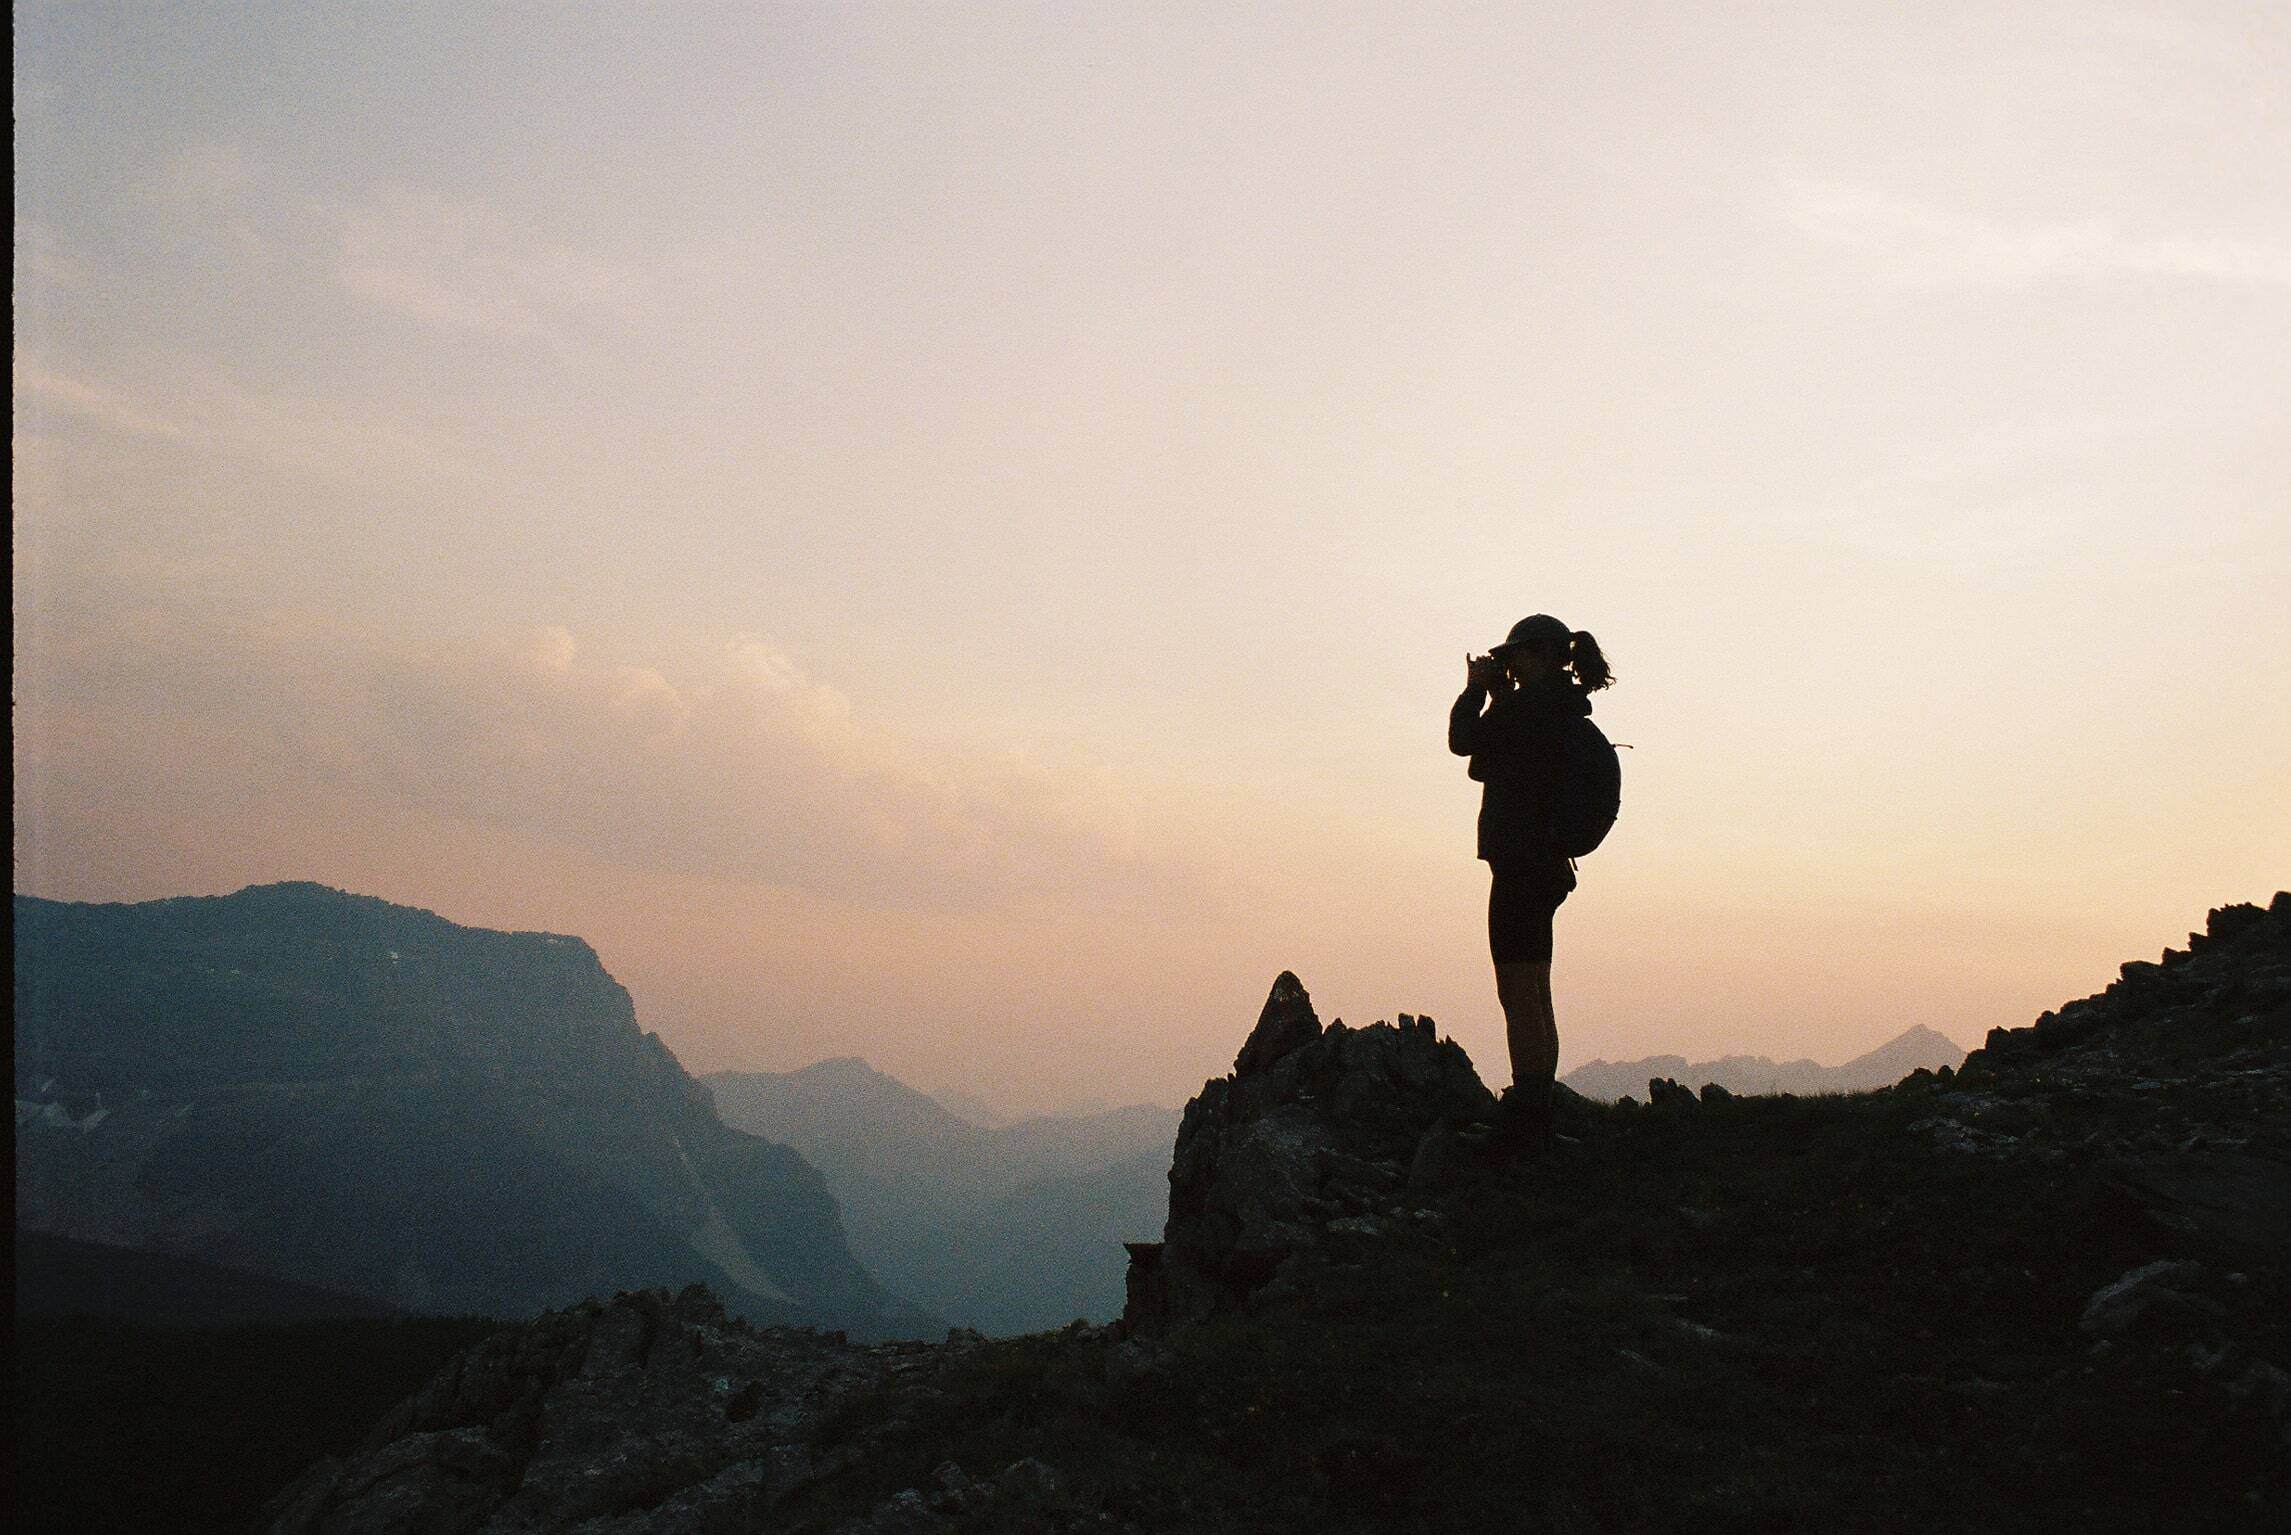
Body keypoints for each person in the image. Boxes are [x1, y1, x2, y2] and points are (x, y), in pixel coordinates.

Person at [1449, 613, 1614, 1148]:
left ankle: (1528, 1116)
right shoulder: (1558, 712)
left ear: (1543, 656)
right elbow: (1491, 763)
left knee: (1517, 986)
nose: (1509, 665)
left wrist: (1477, 692)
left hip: (1521, 862)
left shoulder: (1528, 710)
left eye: (1516, 655)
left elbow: (1463, 741)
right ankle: (1536, 1105)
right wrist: (1501, 698)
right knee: (1534, 984)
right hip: (1546, 864)